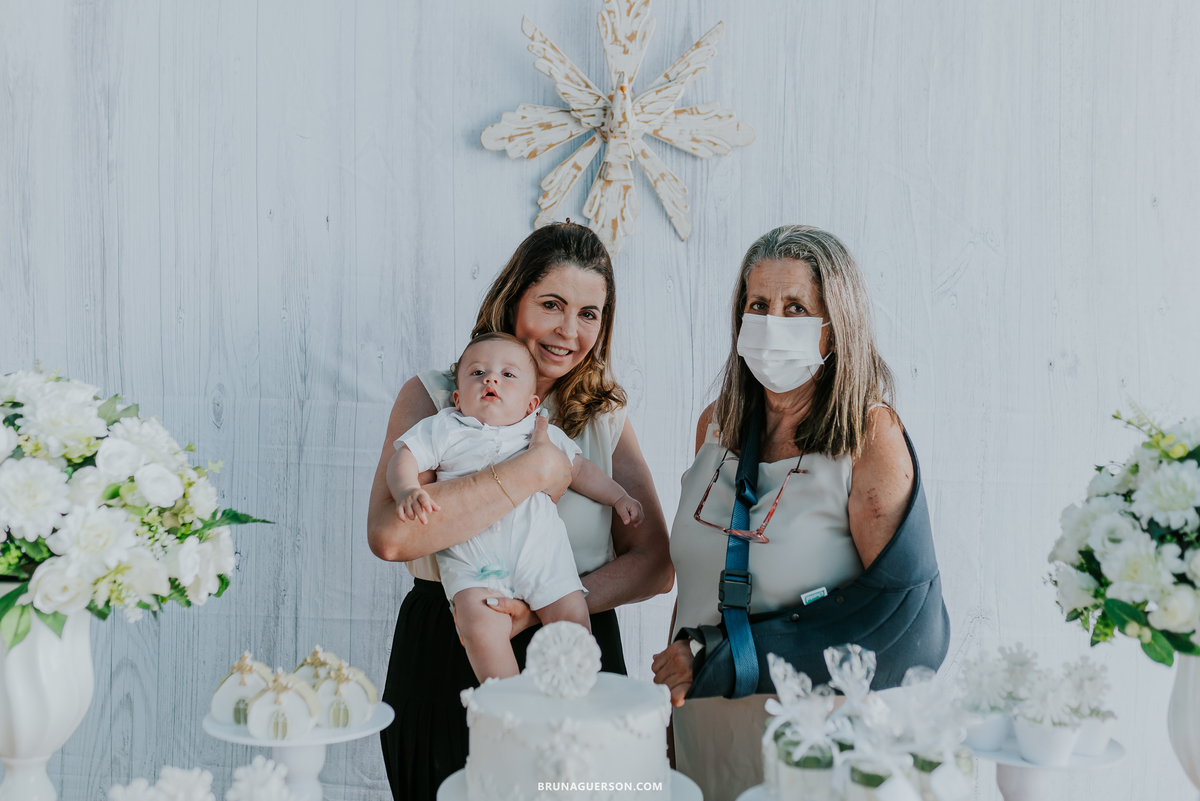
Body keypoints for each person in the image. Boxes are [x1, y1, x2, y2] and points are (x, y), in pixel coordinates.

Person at [369, 222, 674, 801]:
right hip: (452, 644)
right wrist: (530, 473)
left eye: (590, 313)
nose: (569, 330)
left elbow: (656, 562)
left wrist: (538, 611)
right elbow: (389, 537)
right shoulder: (439, 398)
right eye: (552, 305)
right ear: (514, 300)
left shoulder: (602, 415)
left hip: (573, 644)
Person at [652, 225, 945, 801]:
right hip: (706, 727)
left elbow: (910, 630)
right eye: (758, 305)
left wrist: (717, 659)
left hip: (816, 743)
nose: (771, 322)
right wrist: (673, 707)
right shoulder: (715, 426)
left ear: (835, 327)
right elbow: (698, 583)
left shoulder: (868, 435)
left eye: (795, 308)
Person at [387, 332, 643, 681]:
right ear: (458, 398)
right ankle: (505, 702)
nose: (491, 379)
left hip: (539, 556)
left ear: (530, 404)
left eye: (508, 375)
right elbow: (404, 457)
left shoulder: (537, 432)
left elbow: (581, 471)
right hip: (473, 562)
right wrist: (406, 490)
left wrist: (618, 497)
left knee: (572, 617)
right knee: (479, 627)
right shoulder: (446, 427)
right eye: (478, 373)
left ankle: (577, 691)